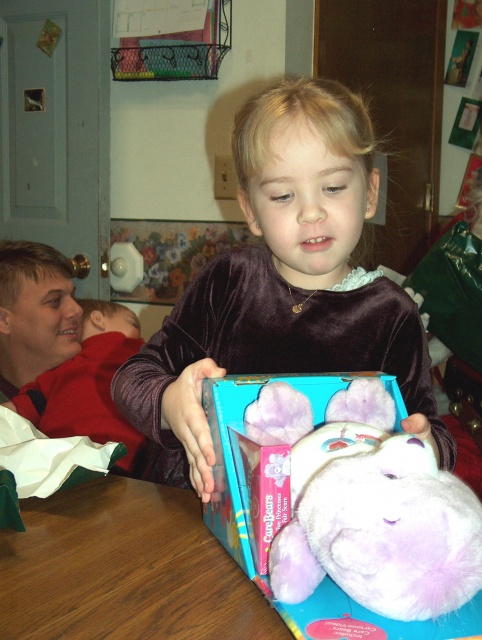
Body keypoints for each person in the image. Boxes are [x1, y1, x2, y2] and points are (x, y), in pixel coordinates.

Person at [111, 76, 457, 501]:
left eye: (332, 188)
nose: (311, 212)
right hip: (191, 513)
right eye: (281, 196)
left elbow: (432, 431)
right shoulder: (230, 281)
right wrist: (168, 402)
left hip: (323, 532)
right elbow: (132, 377)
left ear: (370, 194)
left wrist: (427, 446)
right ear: (250, 211)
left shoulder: (392, 314)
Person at [4, 299, 147, 477]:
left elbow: (22, 407)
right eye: (133, 323)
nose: (140, 334)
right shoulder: (133, 349)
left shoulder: (60, 370)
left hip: (57, 458)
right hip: (117, 457)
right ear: (98, 319)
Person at [0, 240, 82, 400]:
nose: (77, 310)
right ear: (4, 321)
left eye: (73, 296)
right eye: (54, 301)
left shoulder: (99, 380)